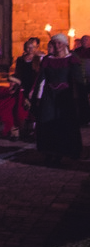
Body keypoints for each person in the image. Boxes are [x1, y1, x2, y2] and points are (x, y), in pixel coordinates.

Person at [34, 32, 83, 164]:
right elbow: (41, 79)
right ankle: (49, 151)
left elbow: (77, 80)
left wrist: (78, 97)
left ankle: (62, 151)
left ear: (65, 44)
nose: (57, 45)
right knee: (47, 122)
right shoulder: (47, 60)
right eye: (54, 43)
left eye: (59, 43)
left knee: (63, 123)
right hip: (49, 96)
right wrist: (38, 96)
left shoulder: (71, 59)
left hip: (64, 97)